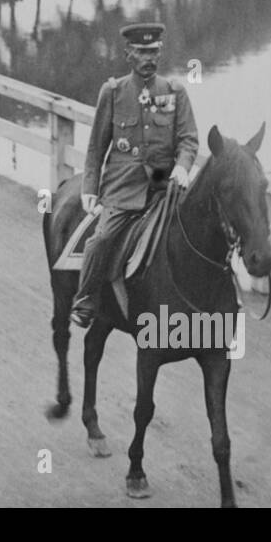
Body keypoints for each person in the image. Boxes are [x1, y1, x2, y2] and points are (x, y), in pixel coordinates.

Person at [69, 22, 199, 328]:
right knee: (101, 239)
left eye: (153, 51)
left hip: (165, 188)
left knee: (200, 231)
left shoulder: (174, 91)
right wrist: (90, 187)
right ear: (128, 53)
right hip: (123, 190)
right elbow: (96, 148)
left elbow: (189, 139)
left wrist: (182, 167)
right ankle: (86, 300)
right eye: (141, 51)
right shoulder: (112, 92)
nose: (148, 58)